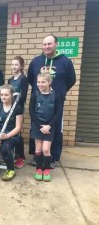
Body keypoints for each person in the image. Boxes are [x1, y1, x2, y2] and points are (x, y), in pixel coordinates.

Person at [27, 35, 76, 168]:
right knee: (36, 127)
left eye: (49, 44)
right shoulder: (36, 61)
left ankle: (53, 157)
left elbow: (71, 80)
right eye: (44, 44)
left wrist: (59, 93)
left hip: (56, 103)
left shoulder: (65, 61)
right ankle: (36, 156)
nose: (47, 47)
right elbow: (31, 78)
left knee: (54, 128)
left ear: (56, 45)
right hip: (39, 101)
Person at [29, 72, 62, 181]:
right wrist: (40, 127)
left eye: (43, 82)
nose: (40, 84)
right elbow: (31, 113)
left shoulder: (56, 95)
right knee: (38, 149)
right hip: (37, 126)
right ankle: (39, 169)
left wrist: (49, 126)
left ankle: (46, 169)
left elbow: (57, 113)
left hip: (49, 127)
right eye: (38, 82)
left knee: (46, 149)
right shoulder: (34, 95)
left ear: (49, 82)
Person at [7, 56, 28, 169]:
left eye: (16, 64)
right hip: (9, 109)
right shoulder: (10, 80)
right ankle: (12, 153)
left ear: (21, 66)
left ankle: (21, 157)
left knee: (18, 132)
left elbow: (23, 96)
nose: (14, 67)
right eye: (12, 64)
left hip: (18, 109)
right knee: (10, 130)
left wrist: (15, 103)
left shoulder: (24, 79)